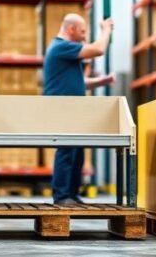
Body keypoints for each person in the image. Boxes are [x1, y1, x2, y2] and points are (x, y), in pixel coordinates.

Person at [43, 13, 116, 205]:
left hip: (72, 109)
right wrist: (106, 29)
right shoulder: (60, 47)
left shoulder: (66, 52)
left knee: (77, 151)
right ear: (71, 29)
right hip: (63, 108)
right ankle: (61, 196)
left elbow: (78, 83)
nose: (84, 36)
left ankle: (72, 194)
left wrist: (103, 81)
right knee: (66, 149)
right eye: (83, 32)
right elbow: (99, 49)